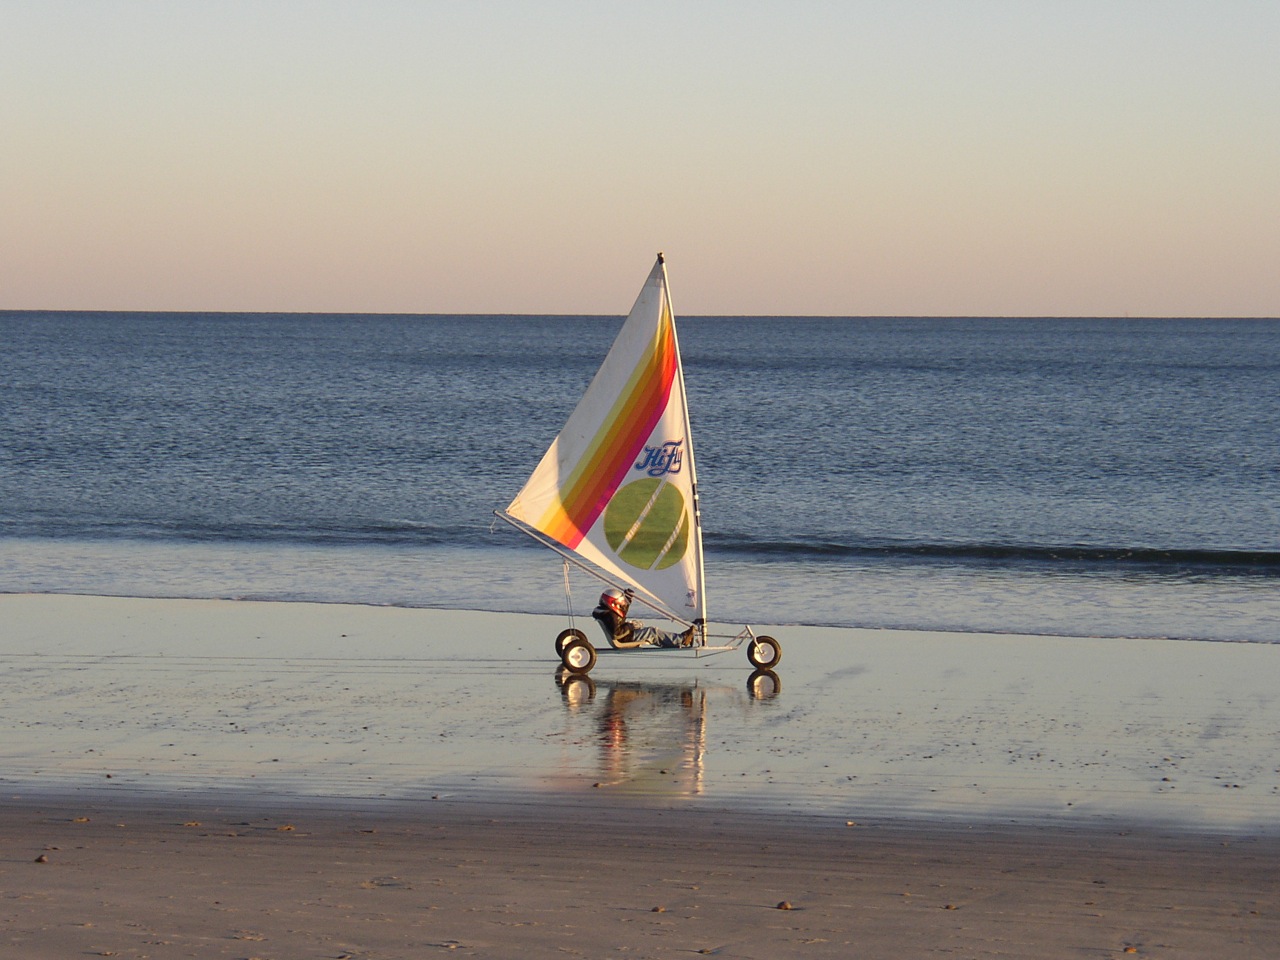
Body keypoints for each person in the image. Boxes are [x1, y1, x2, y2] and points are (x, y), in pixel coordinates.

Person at [591, 588, 698, 649]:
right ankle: (681, 640)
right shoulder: (610, 615)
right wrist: (631, 626)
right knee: (653, 632)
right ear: (614, 603)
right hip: (624, 639)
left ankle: (679, 639)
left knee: (651, 632)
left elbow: (621, 619)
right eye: (622, 602)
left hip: (625, 636)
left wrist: (628, 600)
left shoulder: (604, 611)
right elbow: (617, 634)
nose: (623, 604)